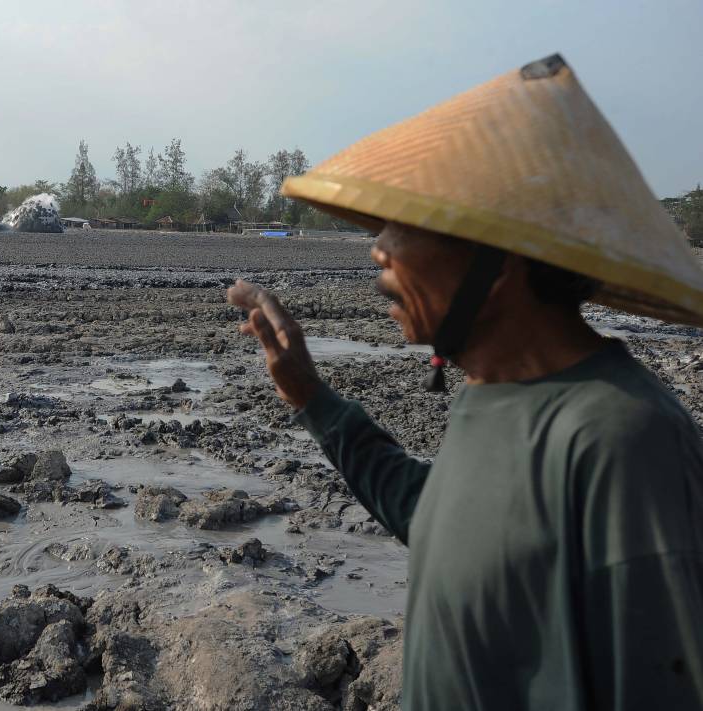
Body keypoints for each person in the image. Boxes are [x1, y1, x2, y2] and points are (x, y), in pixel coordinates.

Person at [228, 54, 703, 710]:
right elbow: (442, 524)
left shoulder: (621, 442)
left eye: (407, 225)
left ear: (501, 259)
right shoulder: (490, 394)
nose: (378, 249)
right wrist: (312, 397)